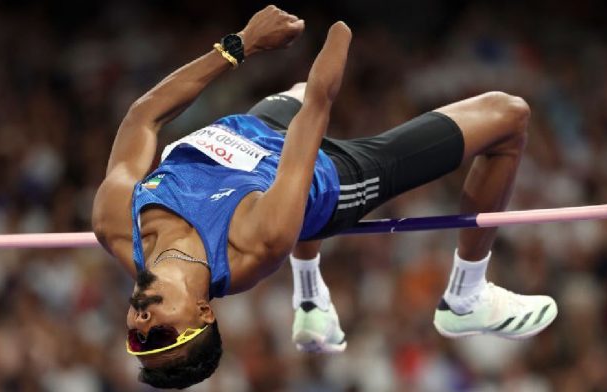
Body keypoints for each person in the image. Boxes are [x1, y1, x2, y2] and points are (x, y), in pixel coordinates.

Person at [92, 5, 557, 390]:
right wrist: (341, 23)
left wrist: (240, 44)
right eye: (162, 336)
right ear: (202, 313)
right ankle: (467, 296)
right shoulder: (253, 243)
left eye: (138, 340)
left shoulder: (116, 223)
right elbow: (315, 112)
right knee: (508, 115)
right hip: (328, 172)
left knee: (290, 105)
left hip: (256, 134)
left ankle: (312, 303)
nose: (141, 324)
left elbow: (144, 117)